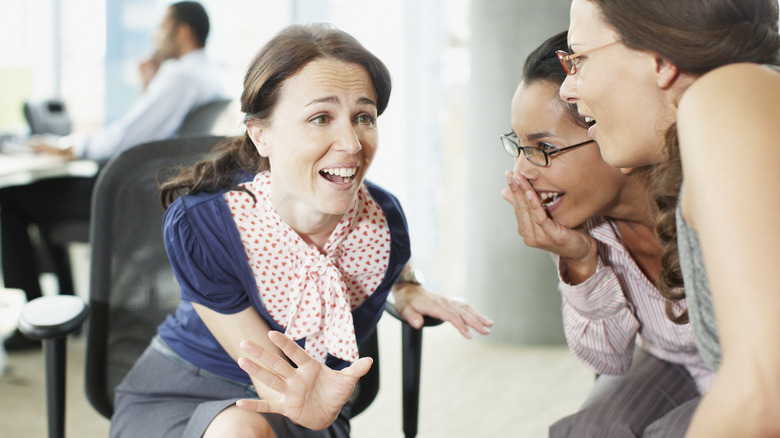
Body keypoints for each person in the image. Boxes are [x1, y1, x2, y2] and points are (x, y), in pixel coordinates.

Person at [110, 23, 493, 438]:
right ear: (262, 136)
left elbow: (373, 257)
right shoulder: (203, 223)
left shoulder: (384, 222)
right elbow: (272, 379)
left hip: (313, 399)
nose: (351, 143)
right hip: (187, 387)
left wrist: (405, 285)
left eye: (363, 116)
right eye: (320, 117)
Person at [558, 0, 780, 436]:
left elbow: (762, 395)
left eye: (578, 58)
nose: (567, 90)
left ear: (659, 60)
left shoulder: (729, 94)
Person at [501, 31, 714, 437]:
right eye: (519, 148)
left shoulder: (707, 199)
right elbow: (608, 360)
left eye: (542, 148)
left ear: (608, 130)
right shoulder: (579, 223)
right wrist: (581, 262)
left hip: (751, 364)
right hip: (671, 360)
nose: (522, 174)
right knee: (588, 431)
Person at [0, 1, 226, 350]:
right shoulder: (207, 75)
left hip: (121, 195)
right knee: (43, 202)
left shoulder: (180, 74)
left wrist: (68, 147)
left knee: (10, 199)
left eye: (161, 28)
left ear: (182, 32)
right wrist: (148, 86)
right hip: (149, 193)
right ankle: (59, 313)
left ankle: (33, 324)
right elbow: (150, 135)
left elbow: (125, 138)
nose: (155, 37)